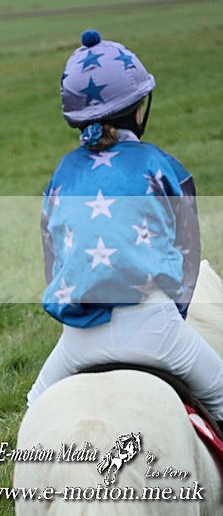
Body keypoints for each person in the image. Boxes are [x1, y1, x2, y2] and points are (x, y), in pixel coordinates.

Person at [28, 30, 223, 422]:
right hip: (156, 326)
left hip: (80, 338)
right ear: (138, 109)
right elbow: (188, 253)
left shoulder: (61, 175)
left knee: (35, 410)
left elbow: (54, 261)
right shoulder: (161, 164)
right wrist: (172, 314)